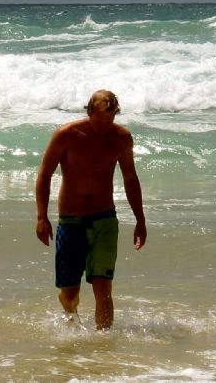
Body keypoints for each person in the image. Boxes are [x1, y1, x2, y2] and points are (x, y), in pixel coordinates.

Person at [35, 90, 146, 330]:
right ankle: (72, 326)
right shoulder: (66, 135)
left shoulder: (121, 138)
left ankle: (102, 344)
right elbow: (44, 175)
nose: (104, 127)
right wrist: (41, 217)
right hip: (71, 221)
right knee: (69, 292)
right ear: (89, 112)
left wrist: (140, 219)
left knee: (103, 287)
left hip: (104, 218)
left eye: (110, 121)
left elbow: (131, 179)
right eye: (99, 121)